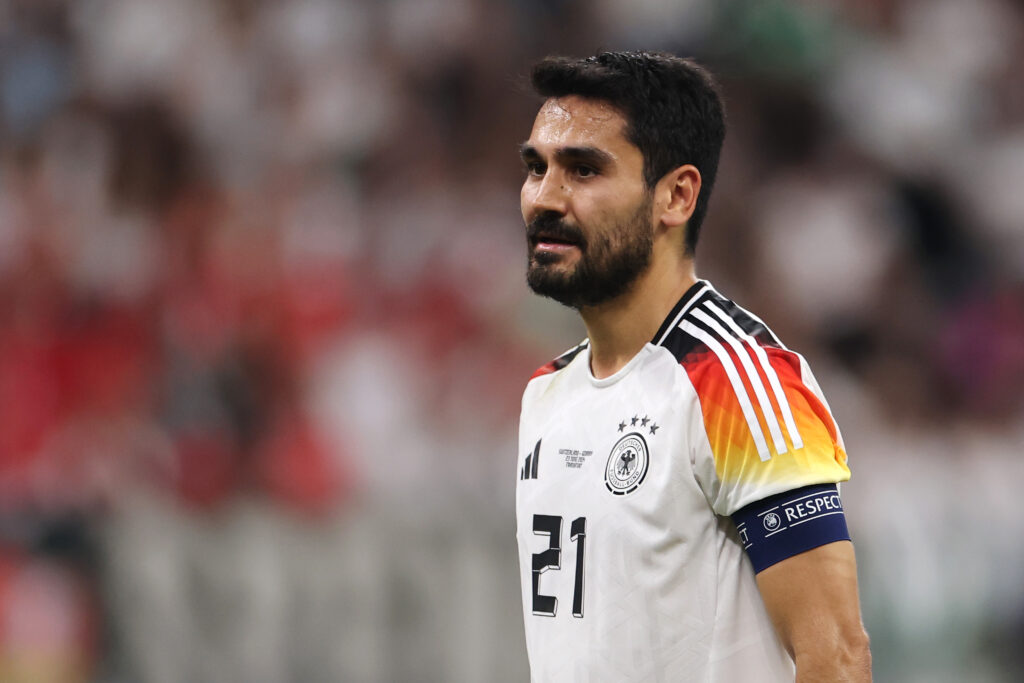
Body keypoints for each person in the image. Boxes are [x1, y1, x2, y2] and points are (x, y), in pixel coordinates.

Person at [514, 51, 871, 682]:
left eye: (583, 170)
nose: (545, 197)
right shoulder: (546, 393)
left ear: (676, 195)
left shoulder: (736, 380)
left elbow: (837, 658)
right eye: (537, 167)